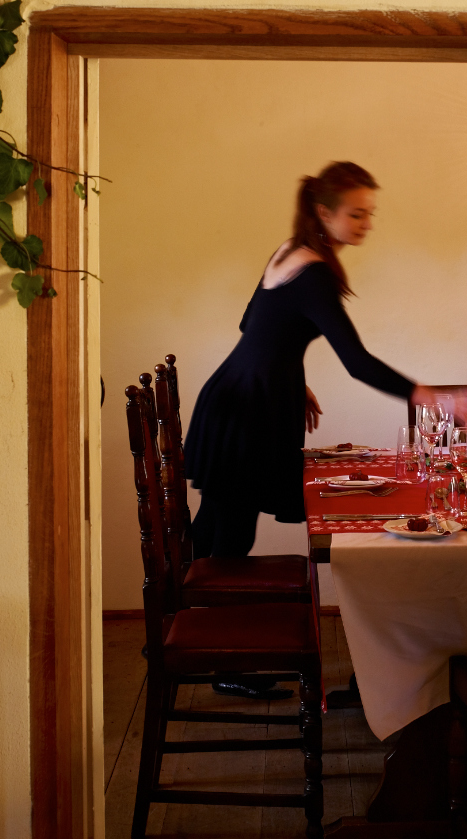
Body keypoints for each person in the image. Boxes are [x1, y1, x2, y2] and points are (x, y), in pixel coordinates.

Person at [183, 163, 439, 698]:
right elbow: (356, 361)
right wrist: (426, 394)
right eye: (357, 213)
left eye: (370, 212)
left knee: (216, 523)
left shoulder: (289, 251)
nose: (367, 223)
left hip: (233, 395)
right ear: (325, 212)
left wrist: (291, 382)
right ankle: (224, 664)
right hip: (247, 410)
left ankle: (181, 629)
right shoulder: (316, 270)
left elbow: (252, 324)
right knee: (231, 535)